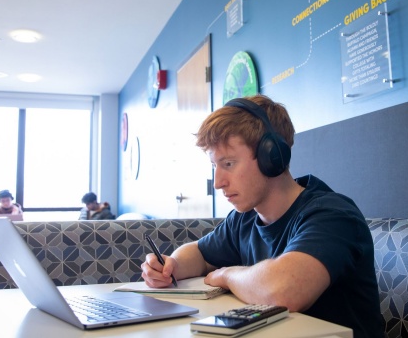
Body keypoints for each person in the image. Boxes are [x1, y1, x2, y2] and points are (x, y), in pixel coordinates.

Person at [140, 95, 383, 338]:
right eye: (215, 166)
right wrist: (170, 266)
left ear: (272, 156)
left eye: (229, 163)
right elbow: (200, 254)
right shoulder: (244, 218)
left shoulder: (332, 215)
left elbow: (283, 291)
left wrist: (226, 275)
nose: (217, 183)